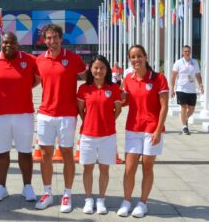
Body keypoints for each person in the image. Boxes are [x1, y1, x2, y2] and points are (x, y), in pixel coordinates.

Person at [0, 32, 39, 202]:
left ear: (17, 44)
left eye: (12, 43)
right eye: (6, 42)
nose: (8, 45)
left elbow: (36, 80)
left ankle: (27, 186)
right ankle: (1, 187)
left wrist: (24, 87)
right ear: (1, 43)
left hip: (24, 114)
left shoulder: (29, 60)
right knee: (2, 152)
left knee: (25, 152)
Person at [35, 24, 86, 213]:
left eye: (55, 37)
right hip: (45, 115)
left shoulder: (74, 59)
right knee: (45, 155)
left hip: (67, 114)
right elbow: (30, 82)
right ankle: (48, 192)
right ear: (44, 40)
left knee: (67, 155)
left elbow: (89, 79)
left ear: (61, 38)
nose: (52, 41)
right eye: (48, 38)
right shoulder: (39, 60)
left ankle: (67, 194)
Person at [117, 45, 169, 218]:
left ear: (146, 57)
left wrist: (158, 130)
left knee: (147, 167)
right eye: (132, 57)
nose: (136, 60)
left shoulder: (159, 78)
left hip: (151, 129)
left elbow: (164, 106)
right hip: (133, 128)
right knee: (129, 168)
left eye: (139, 56)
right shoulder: (128, 79)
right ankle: (126, 201)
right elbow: (125, 102)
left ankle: (143, 203)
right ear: (129, 60)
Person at [77, 55, 122, 214]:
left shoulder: (114, 88)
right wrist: (89, 121)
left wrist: (107, 121)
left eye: (102, 68)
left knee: (104, 169)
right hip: (88, 135)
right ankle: (88, 199)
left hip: (108, 135)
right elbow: (81, 110)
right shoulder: (83, 88)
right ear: (91, 69)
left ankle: (101, 199)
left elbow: (118, 110)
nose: (99, 71)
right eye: (96, 67)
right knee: (87, 169)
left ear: (107, 70)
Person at [170, 45, 204, 135]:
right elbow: (173, 76)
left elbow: (198, 75)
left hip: (192, 90)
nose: (187, 53)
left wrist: (200, 85)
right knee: (184, 107)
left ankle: (185, 118)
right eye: (185, 51)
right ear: (182, 52)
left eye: (188, 51)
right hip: (181, 88)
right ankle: (184, 126)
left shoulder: (195, 62)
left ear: (191, 52)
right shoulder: (178, 63)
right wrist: (172, 89)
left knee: (192, 109)